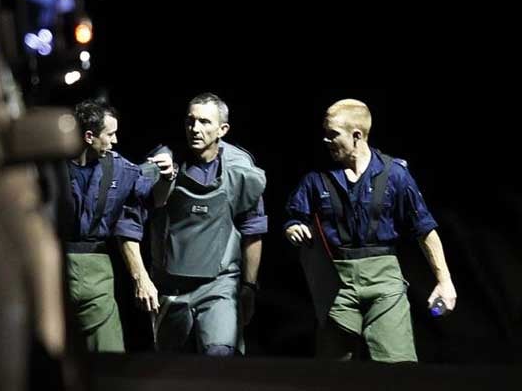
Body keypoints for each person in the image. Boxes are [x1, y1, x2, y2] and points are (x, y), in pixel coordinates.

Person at [284, 98, 457, 362]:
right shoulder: (317, 179)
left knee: (397, 364)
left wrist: (444, 281)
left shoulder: (395, 175)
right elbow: (295, 216)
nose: (326, 141)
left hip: (384, 278)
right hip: (336, 281)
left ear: (356, 135)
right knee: (331, 370)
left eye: (333, 135)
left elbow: (424, 229)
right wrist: (294, 227)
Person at [139, 92, 267, 356]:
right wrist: (164, 177)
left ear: (223, 129)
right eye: (190, 121)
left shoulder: (240, 170)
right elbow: (138, 216)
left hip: (219, 282)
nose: (195, 129)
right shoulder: (165, 161)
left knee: (219, 357)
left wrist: (249, 286)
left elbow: (253, 230)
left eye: (205, 122)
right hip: (171, 284)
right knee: (170, 369)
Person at [61, 97, 174, 352]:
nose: (115, 140)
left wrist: (167, 175)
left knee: (109, 353)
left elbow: (152, 196)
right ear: (89, 136)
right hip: (54, 266)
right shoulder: (52, 168)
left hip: (96, 273)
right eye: (110, 134)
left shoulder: (119, 168)